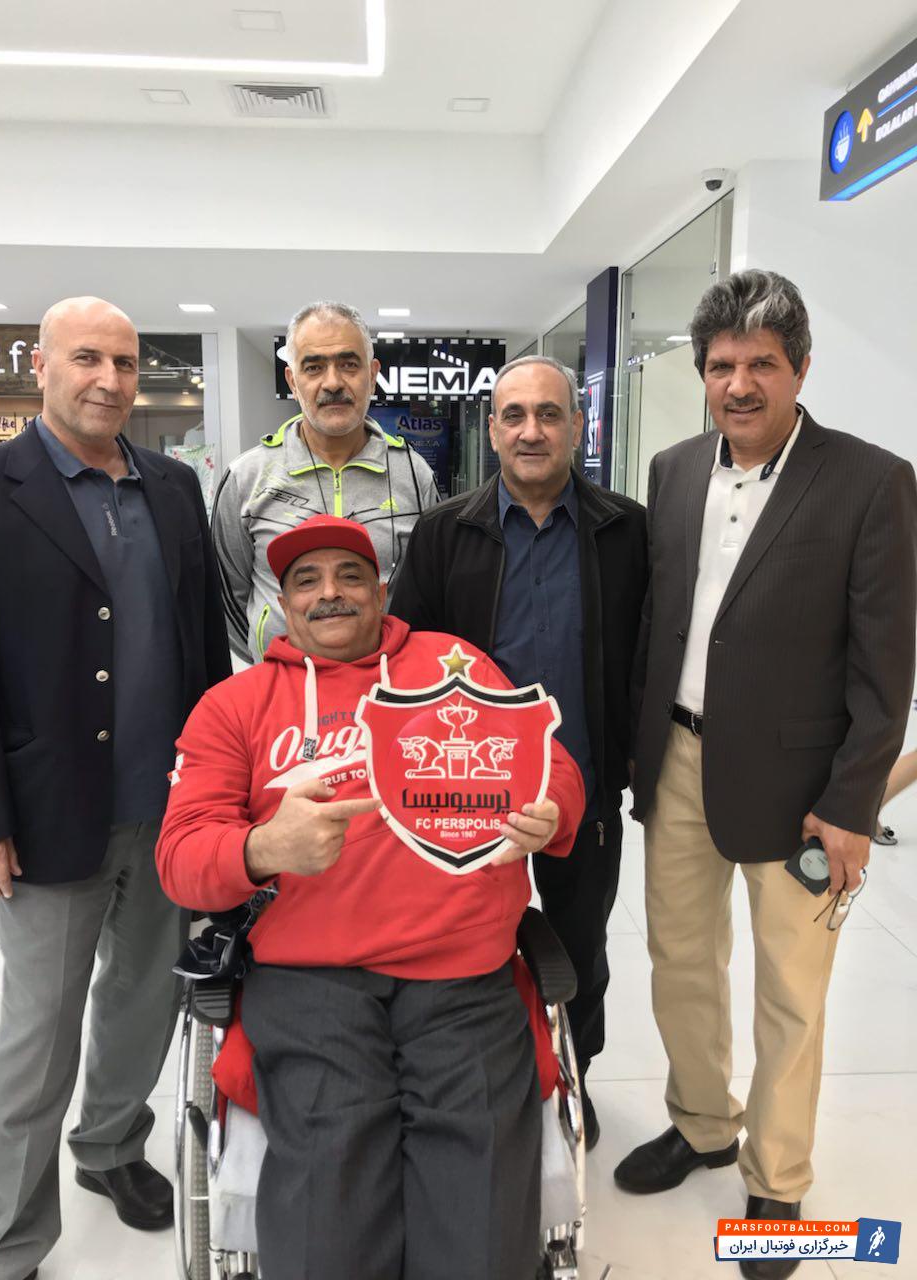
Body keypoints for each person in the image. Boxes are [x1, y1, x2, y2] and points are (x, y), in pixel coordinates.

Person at [156, 513, 585, 1280]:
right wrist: (262, 848)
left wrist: (549, 811)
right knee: (330, 1214)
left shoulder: (453, 664)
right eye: (307, 580)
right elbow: (181, 855)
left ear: (382, 591)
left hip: (462, 972)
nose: (330, 593)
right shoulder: (236, 705)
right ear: (282, 603)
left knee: (481, 1218)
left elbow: (552, 766)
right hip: (310, 981)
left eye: (350, 576)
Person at [617, 270, 917, 1279]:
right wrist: (638, 751)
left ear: (800, 369)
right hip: (678, 758)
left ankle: (777, 1176)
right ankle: (703, 1122)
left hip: (804, 786)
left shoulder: (871, 480)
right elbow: (659, 622)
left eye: (761, 364)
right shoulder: (671, 468)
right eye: (721, 366)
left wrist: (851, 802)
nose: (738, 384)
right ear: (702, 372)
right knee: (680, 960)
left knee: (792, 987)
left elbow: (885, 667)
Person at [0, 297, 232, 1280]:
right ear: (40, 366)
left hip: (169, 807)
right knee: (36, 1037)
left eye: (123, 361)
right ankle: (6, 1240)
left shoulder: (174, 486)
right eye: (86, 358)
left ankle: (110, 1145)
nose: (109, 379)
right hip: (45, 813)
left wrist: (222, 788)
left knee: (145, 999)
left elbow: (203, 643)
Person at [390, 354, 648, 1148]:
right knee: (470, 945)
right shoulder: (445, 532)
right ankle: (485, 1080)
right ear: (494, 429)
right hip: (467, 793)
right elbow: (405, 661)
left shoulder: (626, 529)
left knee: (581, 950)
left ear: (578, 425)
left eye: (548, 414)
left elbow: (649, 650)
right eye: (514, 415)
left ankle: (576, 1075)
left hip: (584, 789)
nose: (531, 430)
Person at [212, 300, 439, 662]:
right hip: (283, 684)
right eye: (314, 367)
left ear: (372, 375)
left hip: (384, 683)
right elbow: (228, 600)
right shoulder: (246, 477)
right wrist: (269, 655)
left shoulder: (413, 474)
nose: (332, 382)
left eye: (349, 364)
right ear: (292, 380)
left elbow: (429, 590)